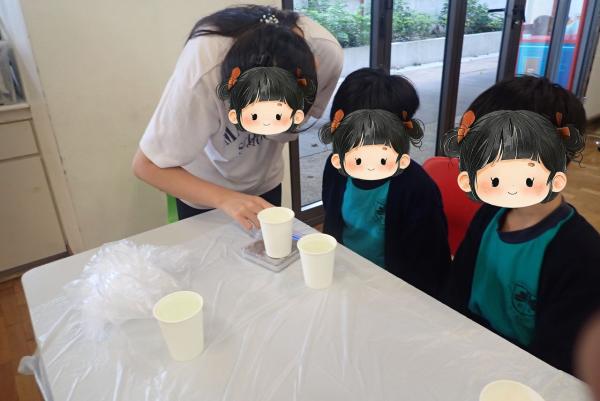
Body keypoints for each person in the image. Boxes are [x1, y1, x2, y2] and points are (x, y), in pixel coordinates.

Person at [132, 5, 343, 229]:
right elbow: (146, 166)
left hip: (265, 181)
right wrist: (225, 199)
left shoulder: (326, 57)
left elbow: (285, 131)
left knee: (268, 249)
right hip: (203, 190)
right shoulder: (203, 70)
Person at [443, 107, 600, 375]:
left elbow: (557, 359)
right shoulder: (490, 213)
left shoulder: (583, 254)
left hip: (519, 374)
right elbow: (456, 289)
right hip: (464, 350)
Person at [320, 68, 451, 298]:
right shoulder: (336, 168)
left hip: (394, 291)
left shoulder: (417, 189)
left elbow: (429, 267)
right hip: (345, 276)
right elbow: (332, 224)